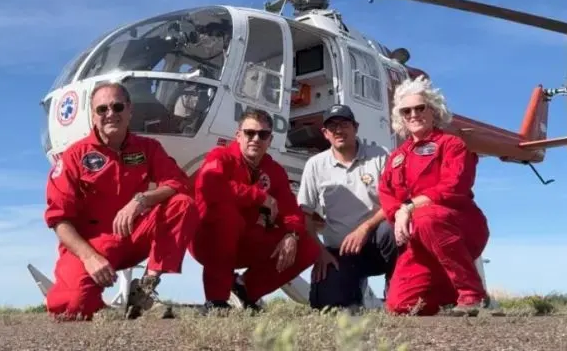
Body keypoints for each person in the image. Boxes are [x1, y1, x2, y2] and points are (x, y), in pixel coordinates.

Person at [43, 81, 200, 321]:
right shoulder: (75, 156)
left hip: (133, 235)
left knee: (183, 204)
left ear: (129, 110)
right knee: (71, 307)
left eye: (117, 107)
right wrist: (89, 257)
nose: (110, 114)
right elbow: (59, 220)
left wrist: (142, 199)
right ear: (93, 115)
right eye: (102, 109)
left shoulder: (148, 148)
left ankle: (145, 289)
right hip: (93, 245)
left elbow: (178, 183)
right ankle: (96, 304)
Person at [378, 75, 490, 317]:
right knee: (400, 306)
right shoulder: (396, 156)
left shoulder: (452, 145)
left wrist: (408, 207)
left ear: (433, 110)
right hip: (420, 241)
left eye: (420, 108)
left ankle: (473, 295)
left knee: (426, 217)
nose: (413, 115)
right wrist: (397, 213)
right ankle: (451, 293)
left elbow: (454, 187)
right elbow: (386, 193)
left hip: (460, 227)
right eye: (406, 111)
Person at [189, 108, 320, 312]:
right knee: (227, 217)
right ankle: (216, 301)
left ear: (270, 139)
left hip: (249, 240)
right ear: (238, 135)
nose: (256, 139)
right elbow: (211, 187)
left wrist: (292, 234)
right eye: (250, 133)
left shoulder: (274, 171)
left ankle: (245, 290)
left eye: (263, 134)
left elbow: (291, 210)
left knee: (308, 246)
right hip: (210, 241)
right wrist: (259, 196)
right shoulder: (220, 157)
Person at [296, 104, 396, 311]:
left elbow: (394, 201)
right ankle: (352, 292)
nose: (339, 130)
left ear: (356, 127)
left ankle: (398, 296)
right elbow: (304, 214)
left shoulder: (380, 155)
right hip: (339, 251)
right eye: (332, 127)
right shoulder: (315, 165)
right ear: (325, 133)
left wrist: (365, 228)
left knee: (394, 229)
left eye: (344, 124)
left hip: (378, 244)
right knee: (326, 307)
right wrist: (320, 251)